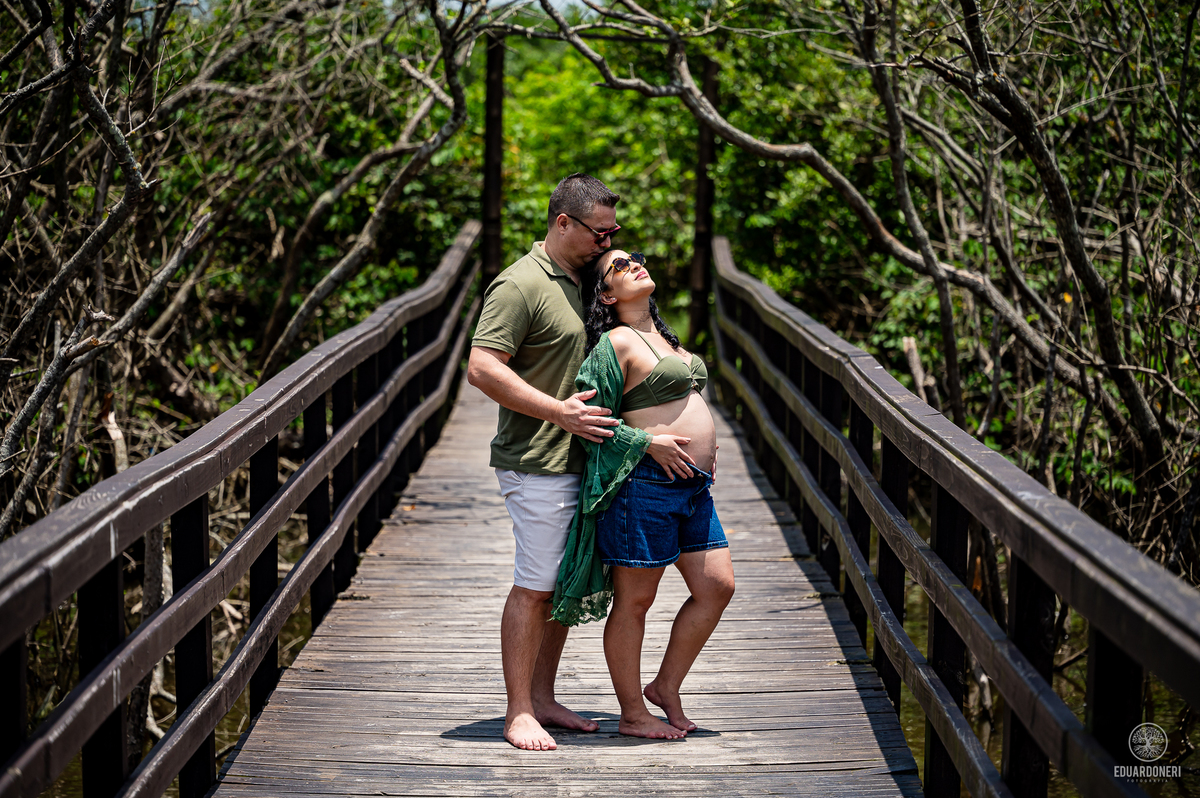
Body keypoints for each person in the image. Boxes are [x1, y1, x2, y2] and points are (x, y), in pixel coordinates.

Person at [466, 173, 624, 751]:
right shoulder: (520, 284)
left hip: (584, 459)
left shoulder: (582, 278)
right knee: (534, 587)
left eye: (613, 233)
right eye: (597, 233)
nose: (605, 243)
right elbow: (482, 368)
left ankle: (543, 696)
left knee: (561, 584)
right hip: (538, 461)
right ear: (563, 223)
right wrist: (559, 413)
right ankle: (517, 712)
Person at [552, 248, 736, 740]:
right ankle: (633, 713)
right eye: (618, 265)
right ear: (607, 295)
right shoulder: (616, 343)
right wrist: (647, 442)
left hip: (693, 486)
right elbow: (589, 422)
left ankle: (665, 686)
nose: (633, 263)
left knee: (717, 585)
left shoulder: (664, 339)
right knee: (636, 601)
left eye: (635, 256)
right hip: (644, 487)